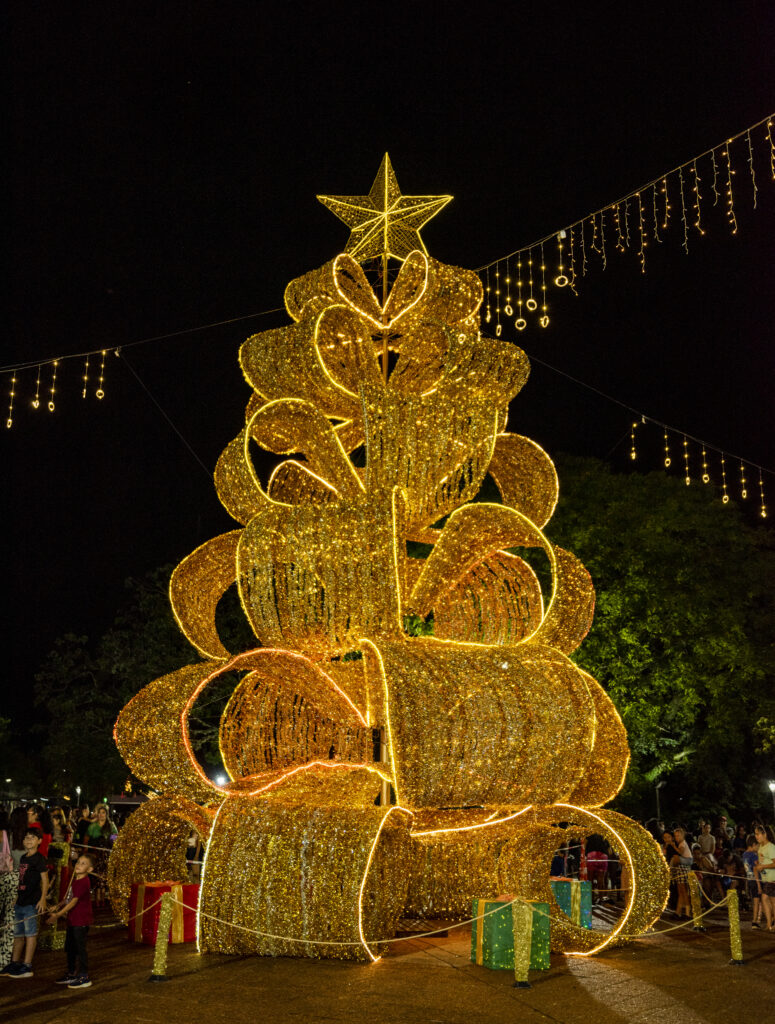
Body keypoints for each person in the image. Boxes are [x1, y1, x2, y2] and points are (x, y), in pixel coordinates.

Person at [2, 829, 50, 978]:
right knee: (18, 934)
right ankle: (15, 963)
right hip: (20, 902)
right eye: (26, 838)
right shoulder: (23, 857)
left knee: (30, 934)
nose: (28, 840)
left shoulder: (39, 859)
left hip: (31, 903)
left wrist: (42, 899)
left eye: (32, 837)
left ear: (39, 841)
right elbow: (21, 879)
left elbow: (45, 880)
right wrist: (17, 896)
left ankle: (27, 965)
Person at [47, 852, 94, 988]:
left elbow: (73, 902)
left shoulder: (83, 882)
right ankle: (71, 973)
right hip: (73, 921)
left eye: (83, 864)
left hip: (81, 921)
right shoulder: (76, 880)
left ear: (90, 869)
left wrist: (57, 914)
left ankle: (84, 976)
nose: (78, 865)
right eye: (78, 862)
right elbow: (68, 898)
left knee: (80, 949)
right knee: (70, 948)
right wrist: (57, 905)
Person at [753, 824, 775, 931]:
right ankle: (769, 924)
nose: (756, 836)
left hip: (773, 879)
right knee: (766, 900)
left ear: (764, 834)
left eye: (758, 834)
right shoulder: (761, 847)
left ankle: (770, 924)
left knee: (770, 900)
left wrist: (763, 866)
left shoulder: (771, 847)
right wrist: (759, 864)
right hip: (766, 879)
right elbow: (764, 861)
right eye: (755, 834)